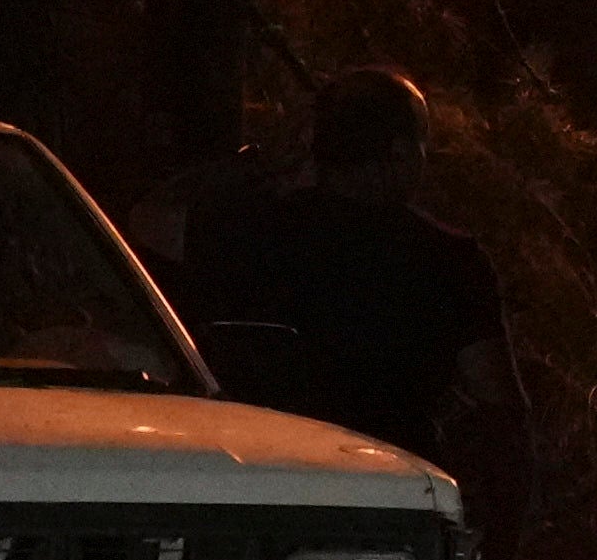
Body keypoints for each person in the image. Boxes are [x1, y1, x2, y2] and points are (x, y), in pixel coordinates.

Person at [197, 73, 512, 473]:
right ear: (400, 153)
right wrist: (500, 526)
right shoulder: (448, 258)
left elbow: (153, 222)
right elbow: (500, 407)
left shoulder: (251, 232)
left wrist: (251, 167)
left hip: (262, 472)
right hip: (396, 487)